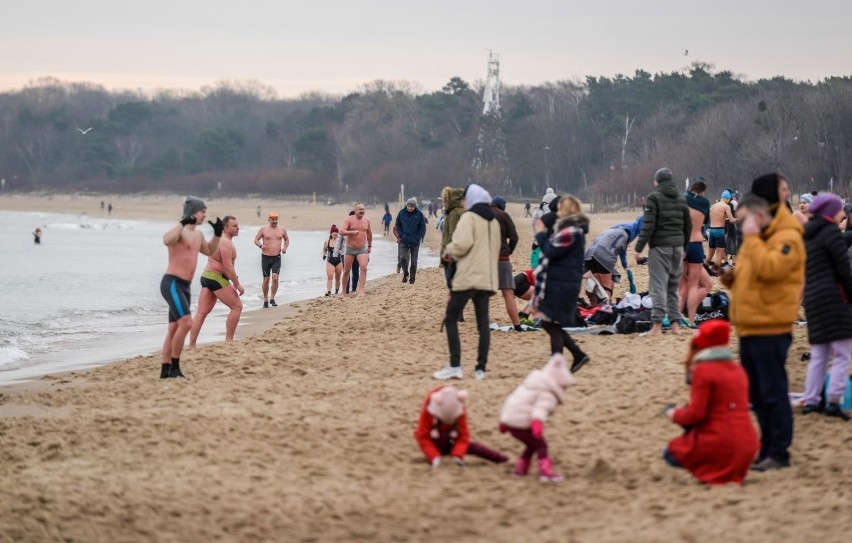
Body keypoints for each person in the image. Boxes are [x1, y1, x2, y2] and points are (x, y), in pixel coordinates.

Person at [720, 175, 804, 471]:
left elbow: (771, 269)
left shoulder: (788, 235)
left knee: (772, 391)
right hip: (749, 326)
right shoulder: (761, 234)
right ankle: (767, 446)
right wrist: (731, 278)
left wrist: (753, 239)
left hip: (771, 326)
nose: (789, 192)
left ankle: (779, 452)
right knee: (756, 394)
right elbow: (753, 274)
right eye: (784, 188)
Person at [662, 320, 760, 485]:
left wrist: (674, 414)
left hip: (720, 441)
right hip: (748, 444)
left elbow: (696, 414)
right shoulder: (738, 369)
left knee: (670, 452)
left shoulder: (703, 371)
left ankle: (711, 467)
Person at [433, 184, 501, 381]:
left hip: (468, 276)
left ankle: (455, 365)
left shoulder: (469, 217)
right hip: (487, 278)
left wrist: (447, 253)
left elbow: (460, 244)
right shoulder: (494, 221)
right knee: (483, 323)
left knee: (451, 318)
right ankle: (480, 368)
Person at [800, 193, 852, 420]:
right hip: (834, 298)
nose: (843, 212)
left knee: (819, 353)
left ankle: (811, 400)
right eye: (840, 209)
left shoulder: (808, 235)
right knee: (842, 353)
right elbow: (844, 270)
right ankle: (833, 401)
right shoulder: (832, 234)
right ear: (831, 211)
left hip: (813, 297)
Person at [160, 196, 222, 379]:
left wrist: (217, 234)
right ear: (194, 212)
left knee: (173, 329)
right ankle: (175, 368)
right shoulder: (180, 232)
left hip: (185, 287)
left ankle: (165, 368)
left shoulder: (198, 235)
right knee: (187, 323)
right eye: (202, 211)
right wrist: (182, 222)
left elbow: (209, 250)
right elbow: (166, 239)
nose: (205, 215)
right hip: (172, 283)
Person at [528, 195, 590, 373]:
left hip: (562, 283)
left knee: (550, 323)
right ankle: (575, 355)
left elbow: (549, 251)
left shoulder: (571, 231)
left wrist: (540, 233)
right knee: (551, 323)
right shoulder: (571, 230)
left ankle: (559, 364)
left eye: (561, 208)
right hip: (563, 281)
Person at [498, 353, 575, 482]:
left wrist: (503, 422)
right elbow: (539, 411)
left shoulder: (530, 386)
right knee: (541, 446)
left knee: (531, 445)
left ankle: (521, 469)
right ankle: (545, 472)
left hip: (509, 421)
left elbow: (513, 402)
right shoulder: (548, 394)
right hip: (522, 424)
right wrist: (537, 425)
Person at [633, 167, 691, 336]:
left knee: (658, 285)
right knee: (673, 287)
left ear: (657, 181)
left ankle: (657, 325)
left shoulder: (653, 198)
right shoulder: (681, 199)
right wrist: (684, 247)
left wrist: (638, 248)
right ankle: (675, 326)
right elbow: (688, 226)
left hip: (660, 247)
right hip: (678, 248)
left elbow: (648, 226)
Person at [414, 386, 509, 468]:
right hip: (434, 443)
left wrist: (457, 454)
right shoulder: (429, 409)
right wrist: (434, 456)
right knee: (432, 445)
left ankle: (503, 460)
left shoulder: (458, 406)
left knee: (475, 447)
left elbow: (464, 435)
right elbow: (422, 436)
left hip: (452, 442)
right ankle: (438, 455)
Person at [189, 215, 244, 347]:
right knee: (237, 307)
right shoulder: (225, 242)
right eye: (234, 226)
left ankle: (191, 345)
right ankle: (229, 341)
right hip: (216, 277)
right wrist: (237, 284)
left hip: (207, 276)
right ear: (225, 228)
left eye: (238, 225)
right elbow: (227, 266)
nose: (238, 228)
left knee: (201, 313)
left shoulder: (220, 240)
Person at [583, 215, 644, 302]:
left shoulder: (622, 228)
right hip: (602, 255)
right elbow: (617, 247)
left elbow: (623, 248)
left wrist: (625, 265)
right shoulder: (625, 234)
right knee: (608, 286)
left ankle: (596, 309)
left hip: (589, 253)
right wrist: (612, 264)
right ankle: (606, 308)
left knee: (599, 288)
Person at [682, 181, 713, 327]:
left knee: (681, 285)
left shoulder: (682, 199)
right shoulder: (704, 202)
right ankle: (691, 320)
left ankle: (676, 319)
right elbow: (706, 221)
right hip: (695, 242)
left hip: (681, 244)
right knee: (694, 286)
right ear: (703, 191)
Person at [491, 196, 522, 330]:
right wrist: (508, 251)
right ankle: (517, 325)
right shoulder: (504, 215)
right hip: (502, 258)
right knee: (508, 293)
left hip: (485, 259)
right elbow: (514, 237)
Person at [254, 211, 289, 308]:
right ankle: (265, 300)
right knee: (266, 280)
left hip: (276, 257)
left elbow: (286, 240)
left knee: (275, 277)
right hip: (265, 257)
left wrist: (285, 248)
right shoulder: (263, 229)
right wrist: (260, 245)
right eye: (272, 219)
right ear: (269, 219)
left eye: (276, 219)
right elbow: (256, 240)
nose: (274, 221)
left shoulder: (282, 229)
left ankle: (272, 298)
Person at [339, 203, 372, 297]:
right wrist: (352, 232)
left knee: (363, 268)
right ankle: (344, 292)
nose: (362, 211)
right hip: (350, 249)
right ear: (355, 211)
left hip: (362, 248)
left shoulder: (367, 220)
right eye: (360, 209)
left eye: (363, 209)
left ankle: (361, 291)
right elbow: (341, 231)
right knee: (346, 270)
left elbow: (369, 233)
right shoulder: (348, 219)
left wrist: (369, 246)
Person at [395, 198, 427, 284]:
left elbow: (422, 227)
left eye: (412, 206)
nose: (410, 208)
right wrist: (401, 235)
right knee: (403, 258)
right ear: (407, 205)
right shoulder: (401, 213)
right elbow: (397, 224)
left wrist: (418, 237)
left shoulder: (419, 214)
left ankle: (412, 279)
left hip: (415, 242)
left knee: (413, 261)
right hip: (404, 241)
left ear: (415, 206)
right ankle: (405, 274)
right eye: (408, 206)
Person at [439, 186, 466, 288]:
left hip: (452, 250)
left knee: (451, 280)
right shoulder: (464, 211)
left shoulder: (454, 213)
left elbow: (453, 234)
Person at [707, 191, 735, 271]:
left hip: (711, 230)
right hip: (719, 231)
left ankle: (704, 267)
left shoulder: (713, 206)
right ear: (728, 199)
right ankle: (715, 270)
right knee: (720, 253)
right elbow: (732, 220)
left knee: (710, 253)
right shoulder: (726, 206)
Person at [323, 224, 343, 296]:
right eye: (334, 232)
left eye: (336, 232)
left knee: (338, 277)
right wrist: (324, 255)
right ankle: (329, 292)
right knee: (330, 276)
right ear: (331, 233)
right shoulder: (327, 241)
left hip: (339, 261)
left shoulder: (340, 241)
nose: (335, 233)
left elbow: (344, 250)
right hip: (330, 261)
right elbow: (324, 249)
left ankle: (337, 291)